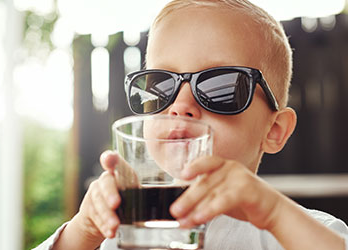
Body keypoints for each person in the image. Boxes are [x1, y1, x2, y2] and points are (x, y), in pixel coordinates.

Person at [34, 0, 348, 249]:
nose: (182, 106)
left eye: (220, 87)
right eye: (160, 86)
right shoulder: (121, 231)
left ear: (274, 130)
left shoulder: (301, 232)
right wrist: (82, 231)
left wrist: (274, 213)